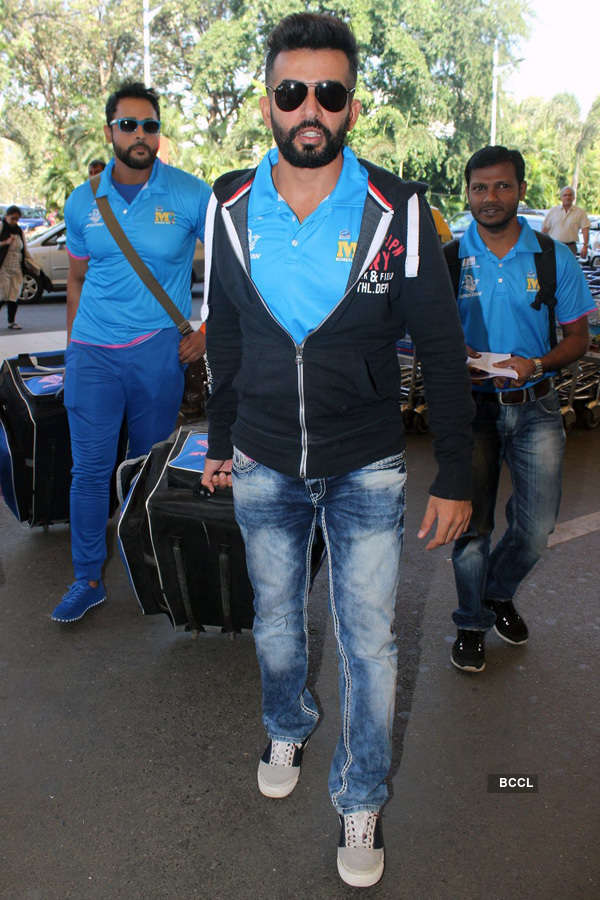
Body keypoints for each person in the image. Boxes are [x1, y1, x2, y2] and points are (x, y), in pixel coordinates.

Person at [200, 13, 474, 888]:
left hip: (366, 464)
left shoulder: (403, 209)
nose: (308, 108)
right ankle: (288, 717)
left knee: (368, 642)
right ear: (269, 102)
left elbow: (438, 350)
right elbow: (230, 337)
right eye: (291, 92)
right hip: (262, 460)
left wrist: (458, 474)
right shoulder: (229, 205)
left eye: (328, 92)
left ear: (352, 105)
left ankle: (361, 795)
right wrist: (216, 440)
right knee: (276, 623)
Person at [51, 82, 210, 624]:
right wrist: (73, 352)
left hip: (156, 353)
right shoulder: (82, 200)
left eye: (149, 125)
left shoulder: (191, 194)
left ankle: (153, 570)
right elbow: (75, 280)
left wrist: (207, 331)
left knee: (147, 469)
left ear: (158, 134)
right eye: (128, 125)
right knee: (90, 471)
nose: (139, 135)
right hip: (93, 353)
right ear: (109, 131)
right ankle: (87, 578)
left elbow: (238, 266)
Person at [448, 146, 593, 674]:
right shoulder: (446, 260)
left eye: (502, 187)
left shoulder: (554, 257)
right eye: (480, 188)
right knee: (471, 527)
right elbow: (417, 334)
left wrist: (537, 362)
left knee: (535, 528)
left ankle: (496, 592)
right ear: (468, 193)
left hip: (536, 407)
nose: (491, 198)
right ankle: (470, 622)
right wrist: (451, 356)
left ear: (521, 191)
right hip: (470, 411)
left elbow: (578, 338)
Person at [0, 204, 40, 329]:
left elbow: (25, 250)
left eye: (17, 219)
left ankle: (11, 321)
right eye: (12, 218)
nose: (14, 221)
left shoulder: (18, 231)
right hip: (3, 266)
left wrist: (32, 263)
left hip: (16, 266)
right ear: (6, 216)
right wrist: (5, 242)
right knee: (2, 294)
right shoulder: (1, 227)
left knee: (14, 294)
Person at [542, 186, 590, 258]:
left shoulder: (580, 212)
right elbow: (545, 230)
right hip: (554, 246)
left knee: (569, 268)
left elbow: (585, 229)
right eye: (565, 195)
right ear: (561, 198)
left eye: (570, 195)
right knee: (554, 268)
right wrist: (542, 244)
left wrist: (585, 246)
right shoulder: (553, 211)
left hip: (570, 247)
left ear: (573, 197)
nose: (568, 197)